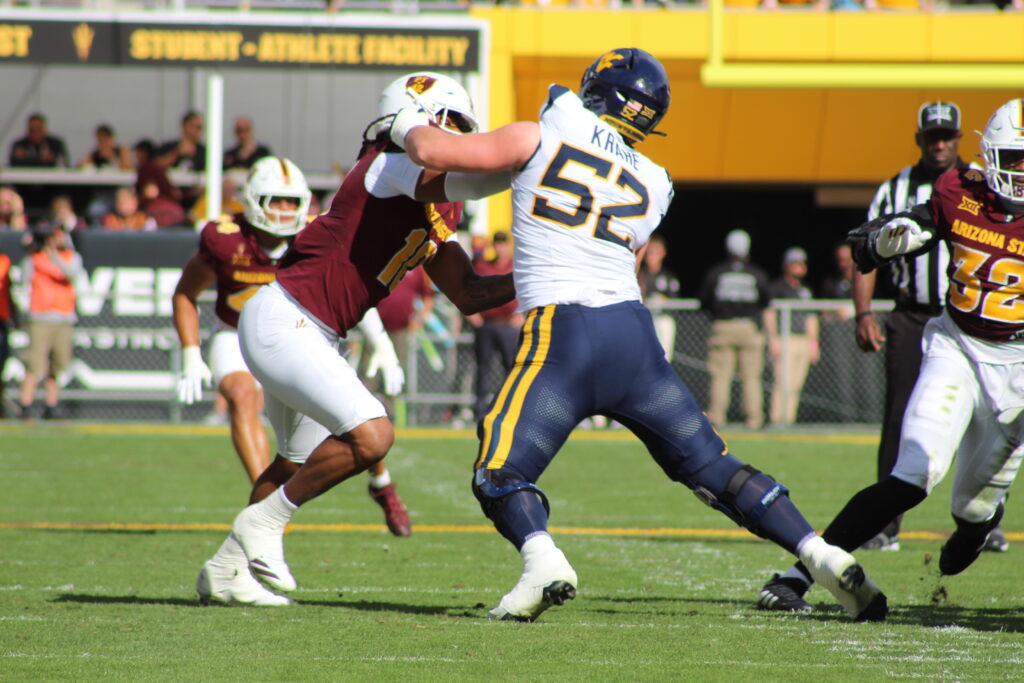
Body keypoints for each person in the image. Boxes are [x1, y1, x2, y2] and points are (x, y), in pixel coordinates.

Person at [394, 47, 886, 623]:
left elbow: (429, 153)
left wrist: (397, 120)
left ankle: (541, 560)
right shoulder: (654, 182)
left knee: (499, 471)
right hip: (633, 340)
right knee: (713, 467)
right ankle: (820, 553)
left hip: (563, 336)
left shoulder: (539, 134)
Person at [195, 72, 515, 607]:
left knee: (293, 462)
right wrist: (529, 161)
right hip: (286, 319)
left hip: (312, 331)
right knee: (373, 435)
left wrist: (540, 274)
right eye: (454, 123)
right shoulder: (388, 165)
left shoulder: (437, 196)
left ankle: (226, 571)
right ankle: (264, 523)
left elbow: (470, 293)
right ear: (421, 118)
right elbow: (470, 178)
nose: (462, 135)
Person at [756, 98, 1024, 615]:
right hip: (958, 348)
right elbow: (894, 234)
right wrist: (882, 242)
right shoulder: (958, 190)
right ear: (990, 155)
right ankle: (797, 576)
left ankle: (976, 530)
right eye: (1015, 158)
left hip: (1018, 368)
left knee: (972, 509)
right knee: (911, 474)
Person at [173, 156, 413, 534]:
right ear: (253, 201)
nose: (285, 210)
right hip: (235, 332)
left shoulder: (317, 236)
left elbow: (348, 292)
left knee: (352, 411)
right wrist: (190, 352)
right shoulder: (225, 238)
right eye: (276, 200)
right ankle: (265, 505)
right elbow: (185, 293)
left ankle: (381, 484)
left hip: (302, 334)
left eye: (292, 201)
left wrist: (380, 341)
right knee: (241, 396)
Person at [852, 101, 1007, 554]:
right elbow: (865, 254)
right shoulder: (895, 188)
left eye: (946, 137)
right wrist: (863, 313)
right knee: (900, 415)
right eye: (931, 137)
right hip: (911, 314)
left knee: (989, 418)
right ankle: (884, 524)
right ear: (919, 140)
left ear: (959, 138)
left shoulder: (983, 183)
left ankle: (983, 519)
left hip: (976, 318)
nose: (939, 145)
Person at [698, 229, 773, 430]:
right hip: (748, 327)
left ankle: (717, 417)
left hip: (723, 326)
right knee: (751, 378)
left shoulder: (716, 272)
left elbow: (704, 301)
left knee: (720, 376)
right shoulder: (756, 273)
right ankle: (754, 419)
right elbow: (766, 301)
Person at [17, 224, 83, 420]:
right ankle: (26, 405)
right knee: (34, 364)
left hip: (63, 317)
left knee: (57, 365)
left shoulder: (70, 257)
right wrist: (31, 249)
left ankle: (50, 405)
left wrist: (54, 256)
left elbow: (72, 273)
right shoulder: (35, 258)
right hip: (40, 317)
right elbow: (23, 277)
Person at [362, 264, 435, 425]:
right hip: (377, 330)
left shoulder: (416, 267)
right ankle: (363, 415)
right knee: (369, 371)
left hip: (401, 330)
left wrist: (419, 320)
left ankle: (389, 415)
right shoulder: (381, 261)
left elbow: (428, 298)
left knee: (395, 373)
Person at [466, 230, 523, 422]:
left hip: (508, 325)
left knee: (511, 367)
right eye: (497, 244)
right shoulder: (482, 265)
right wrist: (473, 314)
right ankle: (481, 411)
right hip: (487, 324)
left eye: (504, 244)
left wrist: (522, 314)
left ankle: (511, 408)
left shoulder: (516, 264)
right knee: (483, 368)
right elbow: (469, 289)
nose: (501, 248)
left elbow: (528, 289)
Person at [767, 247, 819, 427]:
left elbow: (811, 317)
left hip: (803, 340)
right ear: (786, 265)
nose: (799, 267)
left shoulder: (806, 290)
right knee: (783, 382)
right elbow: (770, 314)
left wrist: (813, 343)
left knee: (796, 384)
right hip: (785, 339)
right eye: (795, 263)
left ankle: (789, 420)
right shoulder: (777, 288)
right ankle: (777, 419)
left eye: (801, 263)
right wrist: (773, 338)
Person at [637, 232, 680, 361]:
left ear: (663, 253)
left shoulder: (668, 278)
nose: (652, 255)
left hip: (662, 318)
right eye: (649, 251)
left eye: (655, 251)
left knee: (666, 325)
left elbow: (674, 301)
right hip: (643, 320)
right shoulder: (639, 276)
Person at [0, 250, 18, 417]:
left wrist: (15, 315)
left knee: (2, 364)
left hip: (2, 318)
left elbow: (9, 289)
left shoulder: (4, 260)